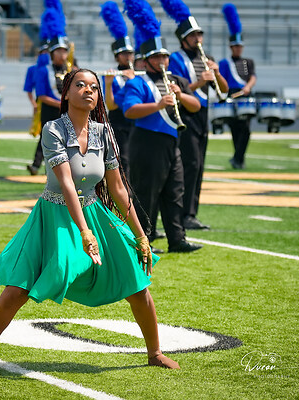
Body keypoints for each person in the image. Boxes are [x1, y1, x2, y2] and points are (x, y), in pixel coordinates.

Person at [0, 68, 180, 372]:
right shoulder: (52, 129)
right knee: (18, 288)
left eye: (93, 87)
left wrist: (141, 235)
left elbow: (118, 188)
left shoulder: (104, 132)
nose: (88, 90)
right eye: (80, 85)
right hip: (53, 216)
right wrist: (84, 232)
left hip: (93, 212)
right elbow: (66, 183)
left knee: (136, 282)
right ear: (66, 93)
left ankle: (154, 353)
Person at [122, 0, 202, 254]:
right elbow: (129, 110)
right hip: (147, 141)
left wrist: (181, 95)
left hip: (171, 142)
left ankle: (177, 239)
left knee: (174, 191)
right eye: (157, 57)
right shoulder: (138, 82)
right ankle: (143, 239)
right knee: (146, 193)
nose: (162, 60)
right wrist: (157, 105)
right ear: (146, 61)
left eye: (164, 56)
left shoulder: (176, 80)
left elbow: (195, 106)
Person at [162, 0, 228, 230]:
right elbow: (178, 89)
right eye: (193, 36)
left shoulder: (206, 58)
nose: (198, 39)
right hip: (185, 114)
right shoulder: (176, 58)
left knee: (199, 165)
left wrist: (217, 74)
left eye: (199, 34)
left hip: (203, 114)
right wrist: (201, 81)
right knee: (190, 164)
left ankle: (191, 213)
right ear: (183, 39)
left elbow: (224, 90)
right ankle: (183, 214)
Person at [27, 5, 70, 176]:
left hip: (67, 111)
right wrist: (60, 104)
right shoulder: (43, 70)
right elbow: (42, 95)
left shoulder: (71, 70)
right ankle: (44, 168)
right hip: (50, 110)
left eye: (64, 51)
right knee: (47, 139)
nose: (62, 55)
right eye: (59, 51)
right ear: (52, 54)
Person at [100, 1, 136, 177]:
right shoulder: (111, 76)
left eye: (130, 53)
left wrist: (134, 80)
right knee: (123, 160)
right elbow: (111, 105)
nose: (128, 57)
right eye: (124, 54)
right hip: (119, 123)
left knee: (137, 159)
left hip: (136, 121)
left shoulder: (139, 74)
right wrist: (108, 83)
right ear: (117, 57)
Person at [218, 3, 256, 170]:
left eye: (240, 46)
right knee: (235, 129)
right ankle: (238, 160)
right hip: (232, 96)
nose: (238, 49)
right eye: (236, 46)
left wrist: (248, 87)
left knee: (246, 130)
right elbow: (223, 80)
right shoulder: (225, 63)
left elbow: (252, 76)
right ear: (231, 47)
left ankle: (237, 158)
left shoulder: (248, 62)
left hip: (245, 96)